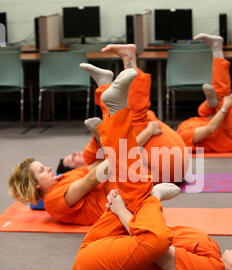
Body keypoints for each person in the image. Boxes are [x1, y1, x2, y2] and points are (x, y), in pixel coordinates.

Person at [72, 68, 232, 270]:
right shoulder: (212, 254)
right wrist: (135, 206)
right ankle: (113, 107)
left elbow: (154, 247)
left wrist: (127, 209)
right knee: (136, 188)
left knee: (150, 220)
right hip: (111, 245)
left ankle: (147, 189)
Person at [8, 69, 180, 226]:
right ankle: (105, 103)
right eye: (42, 170)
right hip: (121, 205)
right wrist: (114, 157)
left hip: (116, 188)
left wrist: (110, 154)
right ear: (36, 185)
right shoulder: (53, 201)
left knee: (101, 151)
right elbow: (90, 180)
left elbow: (90, 169)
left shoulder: (60, 181)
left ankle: (105, 91)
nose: (48, 167)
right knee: (118, 141)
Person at [58, 44, 189, 183]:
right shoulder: (89, 173)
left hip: (175, 163)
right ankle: (124, 62)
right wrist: (148, 132)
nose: (73, 153)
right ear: (74, 171)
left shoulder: (90, 155)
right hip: (167, 170)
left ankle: (105, 85)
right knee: (132, 120)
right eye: (72, 159)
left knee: (118, 128)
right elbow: (123, 153)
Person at [177, 33, 232, 153]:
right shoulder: (183, 137)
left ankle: (211, 103)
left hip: (226, 128)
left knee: (202, 111)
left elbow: (208, 120)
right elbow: (210, 129)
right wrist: (225, 107)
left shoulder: (182, 126)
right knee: (221, 95)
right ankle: (216, 48)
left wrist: (219, 107)